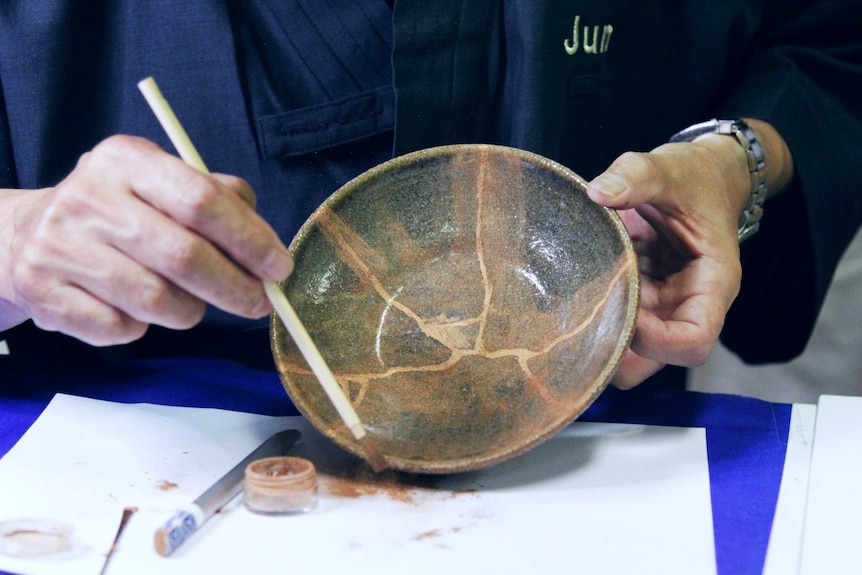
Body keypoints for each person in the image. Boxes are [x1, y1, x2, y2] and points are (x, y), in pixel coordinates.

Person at [1, 1, 861, 391]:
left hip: (598, 437)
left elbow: (828, 47)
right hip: (134, 445)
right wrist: (14, 242)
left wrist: (738, 158)